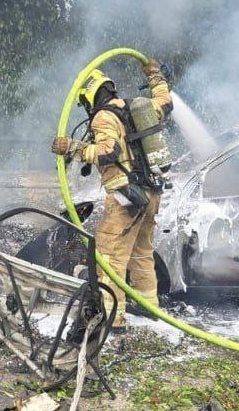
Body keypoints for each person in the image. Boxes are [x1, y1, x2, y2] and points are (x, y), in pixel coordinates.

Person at [51, 58, 173, 330]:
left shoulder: (103, 117)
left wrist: (73, 148)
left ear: (90, 97)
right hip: (151, 193)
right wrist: (155, 76)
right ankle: (149, 307)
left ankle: (112, 319)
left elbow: (109, 152)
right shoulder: (136, 108)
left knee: (109, 258)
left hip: (126, 199)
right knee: (142, 253)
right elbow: (165, 103)